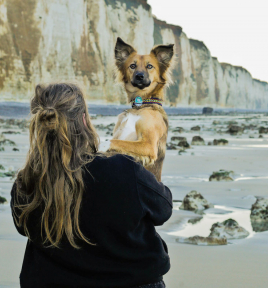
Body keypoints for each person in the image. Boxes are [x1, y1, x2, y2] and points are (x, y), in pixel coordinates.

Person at [11, 82, 172, 288]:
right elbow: (163, 209)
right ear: (84, 121)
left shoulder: (26, 182)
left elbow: (22, 227)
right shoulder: (124, 169)